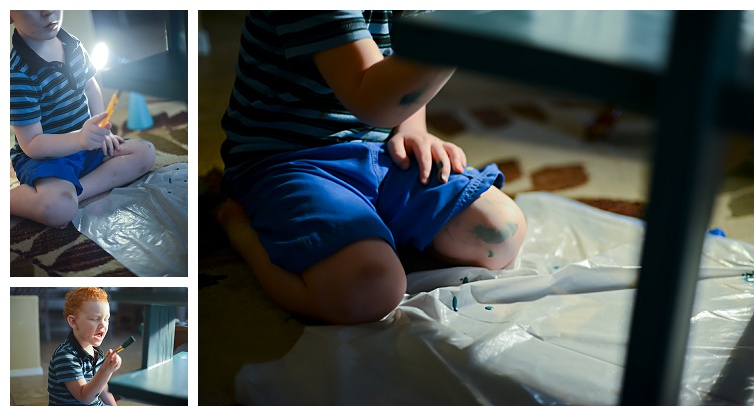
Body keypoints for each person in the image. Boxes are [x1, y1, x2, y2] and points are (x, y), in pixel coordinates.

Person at [217, 11, 526, 325]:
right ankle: (241, 227)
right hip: (290, 160)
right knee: (370, 291)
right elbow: (371, 98)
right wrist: (465, 24)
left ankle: (369, 231)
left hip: (381, 146)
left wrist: (413, 128)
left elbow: (405, 55)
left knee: (500, 234)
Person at [10, 10, 156, 228]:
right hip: (46, 159)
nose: (47, 10)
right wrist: (79, 139)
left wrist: (100, 130)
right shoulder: (17, 74)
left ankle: (75, 192)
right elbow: (32, 144)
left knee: (145, 152)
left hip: (85, 145)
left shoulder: (73, 46)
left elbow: (90, 86)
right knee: (59, 210)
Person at [48, 287, 121, 406]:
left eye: (106, 319)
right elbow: (84, 397)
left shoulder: (96, 352)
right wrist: (105, 371)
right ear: (73, 322)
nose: (103, 324)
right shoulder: (65, 357)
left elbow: (103, 389)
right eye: (95, 319)